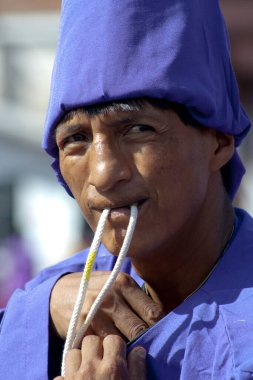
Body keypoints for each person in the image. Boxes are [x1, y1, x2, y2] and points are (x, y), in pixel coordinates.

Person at [0, 0, 253, 379]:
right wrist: (44, 308)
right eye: (76, 138)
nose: (103, 174)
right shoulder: (51, 305)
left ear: (218, 141)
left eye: (138, 129)